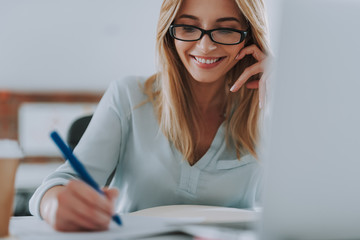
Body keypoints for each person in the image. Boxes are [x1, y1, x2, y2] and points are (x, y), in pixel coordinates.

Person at [29, 0, 270, 232]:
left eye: (226, 29)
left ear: (250, 35)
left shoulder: (270, 109)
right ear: (169, 31)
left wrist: (289, 99)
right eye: (187, 27)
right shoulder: (128, 97)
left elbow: (302, 206)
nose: (205, 46)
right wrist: (54, 204)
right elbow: (56, 186)